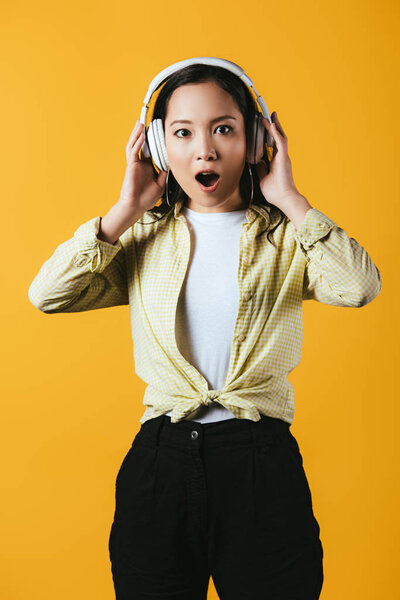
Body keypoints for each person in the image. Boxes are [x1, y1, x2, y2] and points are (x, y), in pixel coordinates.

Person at [28, 58, 382, 600]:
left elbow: (358, 286)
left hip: (261, 462)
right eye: (183, 133)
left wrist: (292, 200)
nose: (205, 150)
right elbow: (48, 295)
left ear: (257, 139)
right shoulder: (141, 240)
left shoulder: (288, 239)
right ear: (156, 146)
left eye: (224, 129)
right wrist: (124, 210)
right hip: (160, 464)